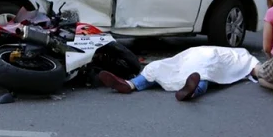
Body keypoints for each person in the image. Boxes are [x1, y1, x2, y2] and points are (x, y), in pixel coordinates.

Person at [98, 46, 261, 101]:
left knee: (161, 67)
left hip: (202, 56)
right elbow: (257, 69)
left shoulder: (242, 54)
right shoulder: (245, 55)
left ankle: (131, 84)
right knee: (203, 73)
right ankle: (191, 91)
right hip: (198, 55)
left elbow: (256, 67)